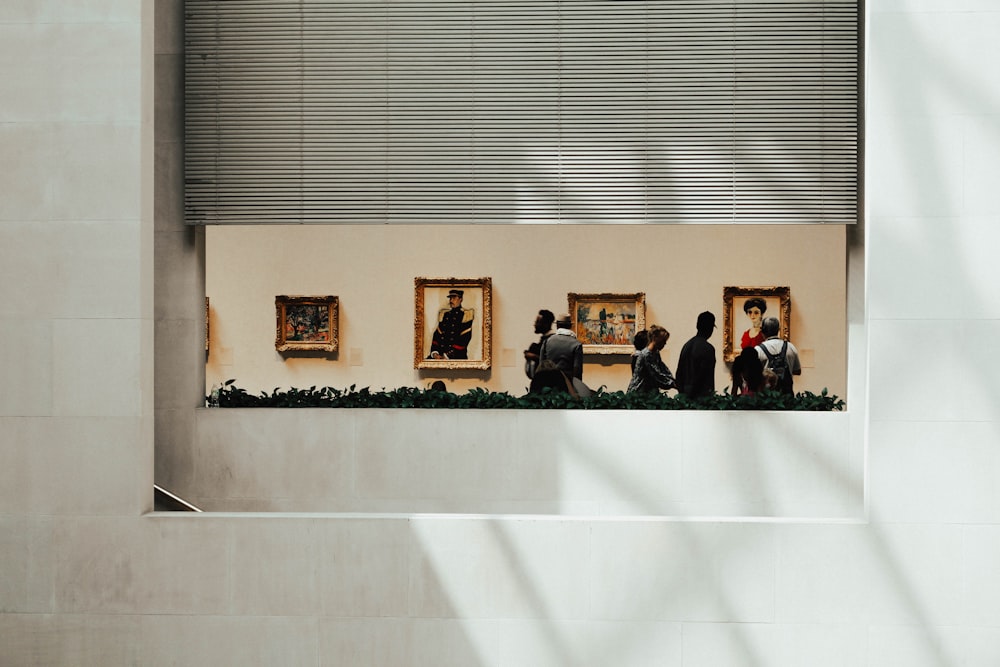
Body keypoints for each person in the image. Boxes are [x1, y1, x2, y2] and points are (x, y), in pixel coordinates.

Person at [755, 316, 802, 395]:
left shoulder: (758, 350)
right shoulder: (790, 347)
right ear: (778, 330)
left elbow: (753, 375)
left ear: (762, 331)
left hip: (765, 398)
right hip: (786, 397)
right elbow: (797, 371)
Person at [675, 311, 717, 398]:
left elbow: (679, 373)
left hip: (685, 395)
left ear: (697, 326)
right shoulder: (708, 349)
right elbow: (702, 375)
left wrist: (683, 394)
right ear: (710, 328)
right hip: (702, 398)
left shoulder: (686, 346)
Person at [626, 324, 676, 393]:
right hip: (638, 393)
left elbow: (663, 369)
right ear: (655, 338)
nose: (664, 343)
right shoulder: (646, 354)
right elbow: (656, 374)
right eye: (663, 340)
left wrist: (673, 380)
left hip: (648, 392)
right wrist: (673, 383)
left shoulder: (655, 353)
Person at [429, 289, 474, 359]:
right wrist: (435, 352)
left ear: (460, 299)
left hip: (455, 355)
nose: (451, 301)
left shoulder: (466, 315)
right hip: (439, 354)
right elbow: (437, 335)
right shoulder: (445, 314)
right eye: (450, 298)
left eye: (454, 298)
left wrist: (447, 356)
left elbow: (464, 338)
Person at [540, 312, 584, 380]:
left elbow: (541, 365)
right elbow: (577, 370)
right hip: (567, 383)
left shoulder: (547, 341)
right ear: (570, 326)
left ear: (557, 325)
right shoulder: (576, 344)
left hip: (549, 380)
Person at [523, 309, 555, 379]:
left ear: (545, 324)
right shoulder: (545, 339)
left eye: (538, 322)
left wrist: (533, 356)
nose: (535, 324)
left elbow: (550, 362)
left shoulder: (551, 340)